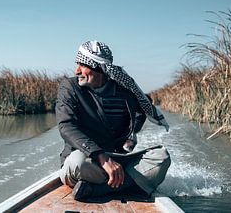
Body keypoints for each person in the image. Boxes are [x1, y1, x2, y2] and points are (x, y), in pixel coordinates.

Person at [56, 40, 171, 201]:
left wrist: (131, 135)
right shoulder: (70, 87)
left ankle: (98, 190)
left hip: (116, 159)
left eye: (83, 65)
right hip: (88, 161)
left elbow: (142, 108)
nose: (77, 71)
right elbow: (66, 126)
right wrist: (102, 157)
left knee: (162, 157)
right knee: (77, 163)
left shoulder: (124, 91)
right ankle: (130, 184)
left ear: (99, 68)